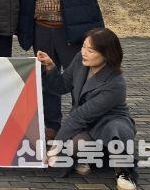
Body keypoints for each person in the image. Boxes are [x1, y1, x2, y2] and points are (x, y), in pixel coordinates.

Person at [18, 0, 120, 140]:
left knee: (81, 82)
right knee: (46, 80)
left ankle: (83, 131)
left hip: (74, 33)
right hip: (41, 30)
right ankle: (51, 128)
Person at [37, 28, 137, 190]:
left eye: (90, 50)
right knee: (74, 146)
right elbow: (62, 86)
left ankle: (124, 170)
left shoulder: (116, 84)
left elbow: (80, 116)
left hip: (110, 121)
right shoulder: (80, 60)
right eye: (83, 46)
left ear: (107, 54)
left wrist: (55, 148)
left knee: (115, 131)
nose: (84, 52)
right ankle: (94, 156)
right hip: (87, 124)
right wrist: (50, 66)